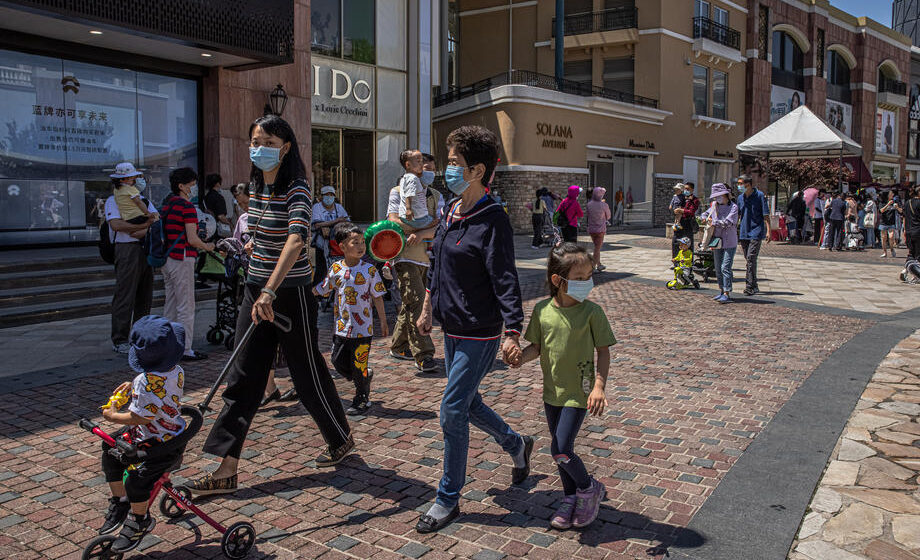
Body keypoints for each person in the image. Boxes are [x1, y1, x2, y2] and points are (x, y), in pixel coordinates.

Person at [186, 114, 355, 497]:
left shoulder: (297, 188)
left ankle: (340, 438)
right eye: (255, 140)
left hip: (289, 294)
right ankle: (226, 467)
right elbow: (265, 231)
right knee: (242, 375)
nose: (259, 148)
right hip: (255, 287)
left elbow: (297, 240)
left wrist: (270, 290)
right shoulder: (258, 186)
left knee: (306, 371)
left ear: (286, 147)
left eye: (268, 141)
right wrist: (252, 248)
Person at [415, 125, 533, 533]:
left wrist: (513, 331)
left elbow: (505, 278)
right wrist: (428, 304)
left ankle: (447, 499)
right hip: (451, 324)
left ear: (477, 170)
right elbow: (438, 264)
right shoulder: (450, 211)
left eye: (452, 164)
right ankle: (516, 443)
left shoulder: (493, 219)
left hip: (481, 330)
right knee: (467, 403)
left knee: (451, 410)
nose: (444, 171)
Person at [512, 243, 615, 530]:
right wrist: (521, 357)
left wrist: (599, 386)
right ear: (558, 281)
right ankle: (571, 496)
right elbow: (537, 347)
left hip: (579, 392)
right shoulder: (543, 311)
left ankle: (588, 487)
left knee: (560, 448)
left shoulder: (592, 312)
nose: (587, 284)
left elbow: (604, 351)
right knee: (561, 449)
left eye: (589, 277)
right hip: (552, 391)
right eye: (579, 278)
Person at [97, 316, 187, 552]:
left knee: (137, 480)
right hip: (160, 431)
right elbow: (157, 388)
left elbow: (139, 417)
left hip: (160, 441)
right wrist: (136, 386)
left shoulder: (145, 382)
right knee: (110, 448)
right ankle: (121, 501)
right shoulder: (175, 369)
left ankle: (140, 520)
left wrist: (112, 416)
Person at [314, 223, 389, 415]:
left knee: (359, 363)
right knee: (337, 360)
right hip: (341, 327)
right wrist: (306, 291)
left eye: (362, 242)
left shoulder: (370, 270)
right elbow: (323, 288)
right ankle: (363, 377)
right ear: (342, 247)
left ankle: (361, 397)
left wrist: (383, 320)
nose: (360, 246)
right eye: (355, 242)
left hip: (363, 329)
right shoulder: (336, 268)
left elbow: (378, 296)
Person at [387, 157, 440, 373]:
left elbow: (442, 225)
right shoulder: (397, 191)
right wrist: (428, 226)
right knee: (418, 302)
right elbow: (394, 222)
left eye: (433, 169)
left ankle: (399, 347)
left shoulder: (436, 195)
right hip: (405, 256)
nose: (429, 173)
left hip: (428, 258)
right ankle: (424, 354)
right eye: (426, 168)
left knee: (411, 303)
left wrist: (418, 231)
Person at [161, 168, 214, 361]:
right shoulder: (187, 207)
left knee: (171, 304)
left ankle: (166, 344)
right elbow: (192, 239)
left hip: (167, 259)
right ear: (181, 186)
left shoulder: (167, 206)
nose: (194, 187)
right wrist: (207, 247)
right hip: (182, 258)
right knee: (186, 305)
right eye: (191, 184)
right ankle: (185, 348)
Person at [105, 165, 157, 354]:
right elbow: (116, 224)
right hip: (127, 249)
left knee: (145, 294)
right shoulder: (113, 200)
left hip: (145, 247)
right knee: (125, 294)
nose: (131, 181)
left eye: (132, 178)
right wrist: (144, 226)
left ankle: (140, 336)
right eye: (127, 178)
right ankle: (120, 338)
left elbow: (156, 220)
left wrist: (143, 229)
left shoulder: (143, 199)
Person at [701, 183, 738, 304]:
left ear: (725, 194)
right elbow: (706, 214)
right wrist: (704, 217)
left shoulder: (733, 207)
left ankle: (727, 292)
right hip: (717, 241)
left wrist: (714, 222)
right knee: (717, 267)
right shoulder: (714, 205)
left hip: (730, 242)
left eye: (719, 196)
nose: (717, 199)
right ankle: (721, 290)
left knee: (725, 267)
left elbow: (728, 222)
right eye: (716, 197)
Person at [736, 175, 770, 296]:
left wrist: (768, 230)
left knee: (750, 258)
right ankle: (754, 285)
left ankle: (749, 286)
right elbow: (738, 215)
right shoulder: (740, 198)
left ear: (748, 184)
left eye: (741, 183)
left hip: (756, 231)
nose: (739, 186)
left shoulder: (759, 196)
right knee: (749, 259)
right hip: (744, 232)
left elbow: (766, 214)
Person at [311, 185, 350, 290]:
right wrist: (335, 221)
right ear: (321, 197)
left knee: (339, 267)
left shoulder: (338, 207)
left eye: (331, 195)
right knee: (321, 269)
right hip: (322, 243)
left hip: (336, 244)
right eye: (326, 195)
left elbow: (346, 221)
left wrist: (327, 224)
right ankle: (317, 293)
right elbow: (316, 225)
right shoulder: (317, 207)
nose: (329, 197)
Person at [398, 149, 430, 227]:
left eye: (422, 161)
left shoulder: (405, 178)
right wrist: (408, 209)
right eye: (418, 161)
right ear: (408, 165)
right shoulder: (412, 178)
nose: (422, 164)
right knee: (437, 224)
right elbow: (408, 194)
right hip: (417, 217)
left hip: (409, 216)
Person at [585, 187, 611, 272]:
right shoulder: (604, 205)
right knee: (597, 248)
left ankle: (599, 264)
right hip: (600, 229)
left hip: (592, 228)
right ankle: (592, 267)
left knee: (596, 247)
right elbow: (608, 216)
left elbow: (588, 215)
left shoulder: (589, 204)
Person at [673, 182, 700, 258]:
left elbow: (691, 212)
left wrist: (681, 210)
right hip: (679, 221)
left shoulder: (695, 200)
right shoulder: (681, 197)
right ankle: (676, 260)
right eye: (685, 188)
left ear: (692, 190)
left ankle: (689, 262)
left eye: (688, 189)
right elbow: (675, 205)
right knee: (676, 241)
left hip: (688, 222)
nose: (686, 190)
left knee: (688, 242)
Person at [879, 191, 899, 258]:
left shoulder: (895, 202)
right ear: (887, 195)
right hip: (883, 223)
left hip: (891, 223)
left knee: (891, 237)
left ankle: (892, 249)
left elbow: (901, 211)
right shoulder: (882, 203)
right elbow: (881, 210)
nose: (893, 195)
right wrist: (888, 204)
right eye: (891, 194)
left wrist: (897, 207)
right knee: (884, 238)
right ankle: (885, 252)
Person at [903, 186, 920, 259]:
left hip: (909, 231)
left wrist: (904, 229)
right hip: (918, 231)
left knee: (911, 252)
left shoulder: (907, 202)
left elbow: (904, 216)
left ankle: (908, 266)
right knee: (918, 253)